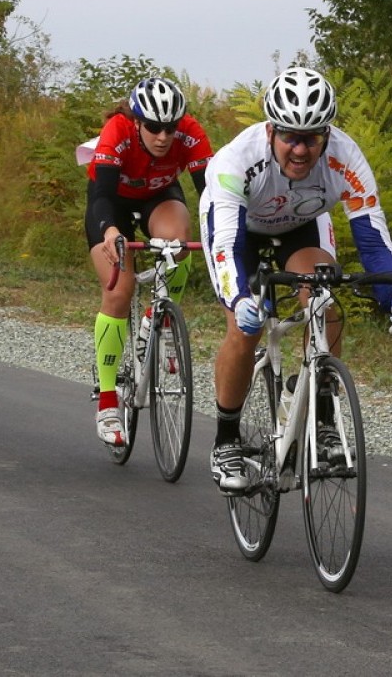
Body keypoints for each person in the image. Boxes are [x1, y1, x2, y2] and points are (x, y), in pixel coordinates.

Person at [200, 66, 392, 494]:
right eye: (290, 136)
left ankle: (321, 416)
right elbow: (224, 242)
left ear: (327, 134)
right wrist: (238, 299)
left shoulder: (346, 156)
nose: (301, 149)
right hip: (241, 232)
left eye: (312, 137)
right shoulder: (237, 160)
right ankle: (226, 440)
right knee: (243, 325)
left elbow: (374, 242)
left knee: (325, 299)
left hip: (301, 226)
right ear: (271, 130)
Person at [77, 77, 214, 447]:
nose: (163, 136)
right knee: (119, 291)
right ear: (137, 121)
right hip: (112, 202)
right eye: (153, 127)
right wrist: (109, 232)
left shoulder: (190, 133)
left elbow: (210, 193)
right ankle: (108, 400)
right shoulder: (117, 130)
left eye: (170, 127)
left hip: (158, 194)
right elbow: (102, 195)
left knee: (178, 243)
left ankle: (161, 317)